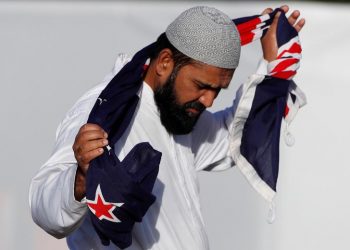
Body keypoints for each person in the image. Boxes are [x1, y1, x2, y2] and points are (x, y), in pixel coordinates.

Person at [29, 5, 305, 250]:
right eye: (202, 86)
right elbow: (45, 212)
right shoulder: (105, 110)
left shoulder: (175, 110)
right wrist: (80, 178)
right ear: (164, 63)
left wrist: (271, 66)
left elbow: (231, 141)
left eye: (217, 90)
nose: (208, 100)